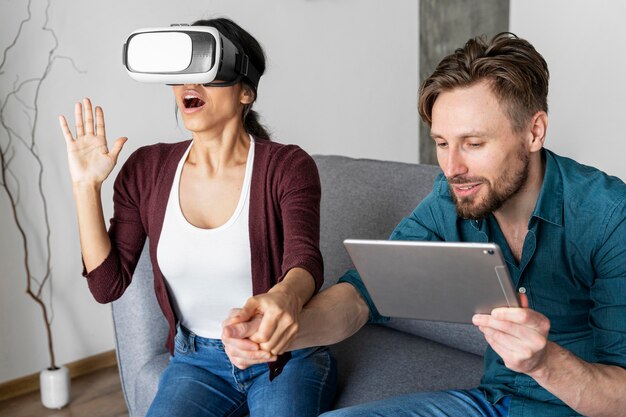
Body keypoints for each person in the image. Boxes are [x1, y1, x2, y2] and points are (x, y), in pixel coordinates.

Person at [222, 32, 626, 417]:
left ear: (534, 132)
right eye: (442, 143)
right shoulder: (450, 199)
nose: (453, 168)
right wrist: (279, 333)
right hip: (493, 401)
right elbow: (363, 296)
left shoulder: (608, 217)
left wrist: (544, 362)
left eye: (474, 143)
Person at [59, 17, 336, 417]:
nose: (190, 84)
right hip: (197, 361)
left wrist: (283, 298)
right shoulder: (146, 169)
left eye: (207, 72)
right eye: (181, 74)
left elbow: (304, 261)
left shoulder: (287, 166)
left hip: (283, 356)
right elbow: (107, 285)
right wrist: (86, 189)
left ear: (245, 92)